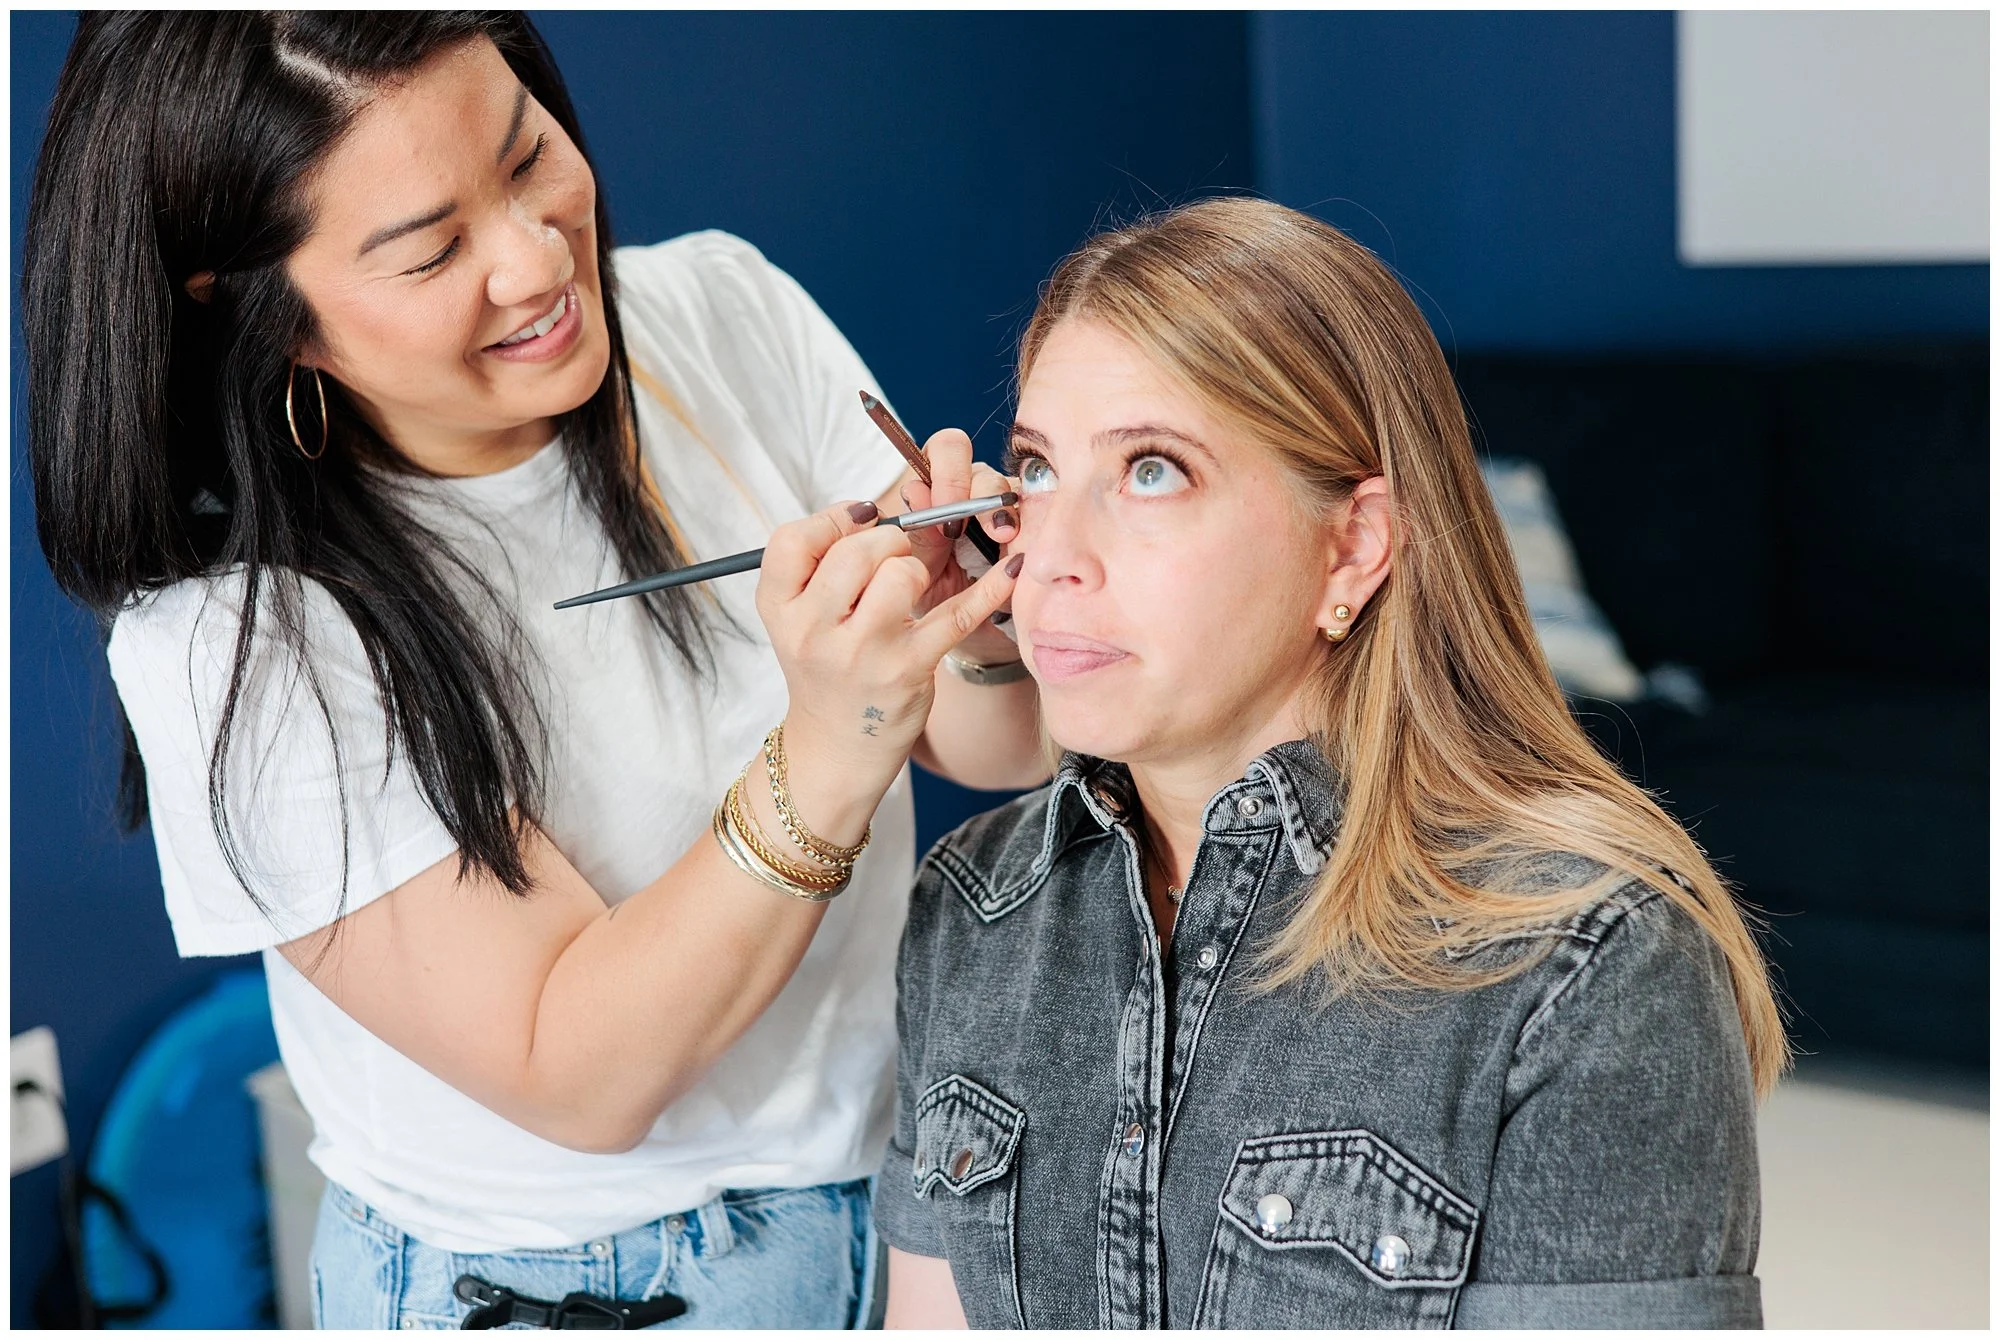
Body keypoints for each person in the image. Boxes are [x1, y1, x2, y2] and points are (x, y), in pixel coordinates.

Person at [25, 12, 1046, 1329]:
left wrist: (989, 624)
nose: (536, 259)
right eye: (432, 248)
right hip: (583, 1288)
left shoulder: (715, 308)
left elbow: (996, 747)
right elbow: (582, 1072)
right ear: (258, 309)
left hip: (904, 1191)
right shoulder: (238, 641)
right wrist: (832, 743)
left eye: (528, 159)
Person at [876, 197, 1784, 1330]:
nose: (1049, 556)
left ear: (1350, 545)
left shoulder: (1586, 962)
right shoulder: (971, 907)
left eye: (1151, 470)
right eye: (1037, 468)